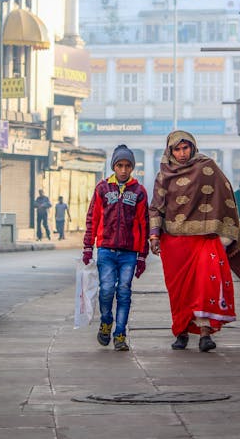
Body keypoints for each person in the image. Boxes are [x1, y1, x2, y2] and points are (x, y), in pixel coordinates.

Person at [149, 130, 240, 353]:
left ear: (193, 147)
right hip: (174, 242)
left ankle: (205, 334)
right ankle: (181, 331)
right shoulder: (164, 174)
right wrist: (154, 235)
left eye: (186, 148)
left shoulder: (207, 167)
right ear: (170, 151)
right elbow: (156, 206)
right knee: (179, 290)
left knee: (205, 285)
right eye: (177, 149)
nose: (182, 153)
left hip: (204, 240)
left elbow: (225, 196)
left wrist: (222, 233)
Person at [82, 144, 149, 352]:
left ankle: (120, 334)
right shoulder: (102, 188)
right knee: (107, 290)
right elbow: (93, 217)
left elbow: (144, 223)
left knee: (124, 292)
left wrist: (142, 256)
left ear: (132, 168)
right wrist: (87, 246)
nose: (123, 170)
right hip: (106, 250)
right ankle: (106, 321)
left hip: (129, 253)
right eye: (119, 165)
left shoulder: (139, 191)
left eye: (127, 166)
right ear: (113, 166)